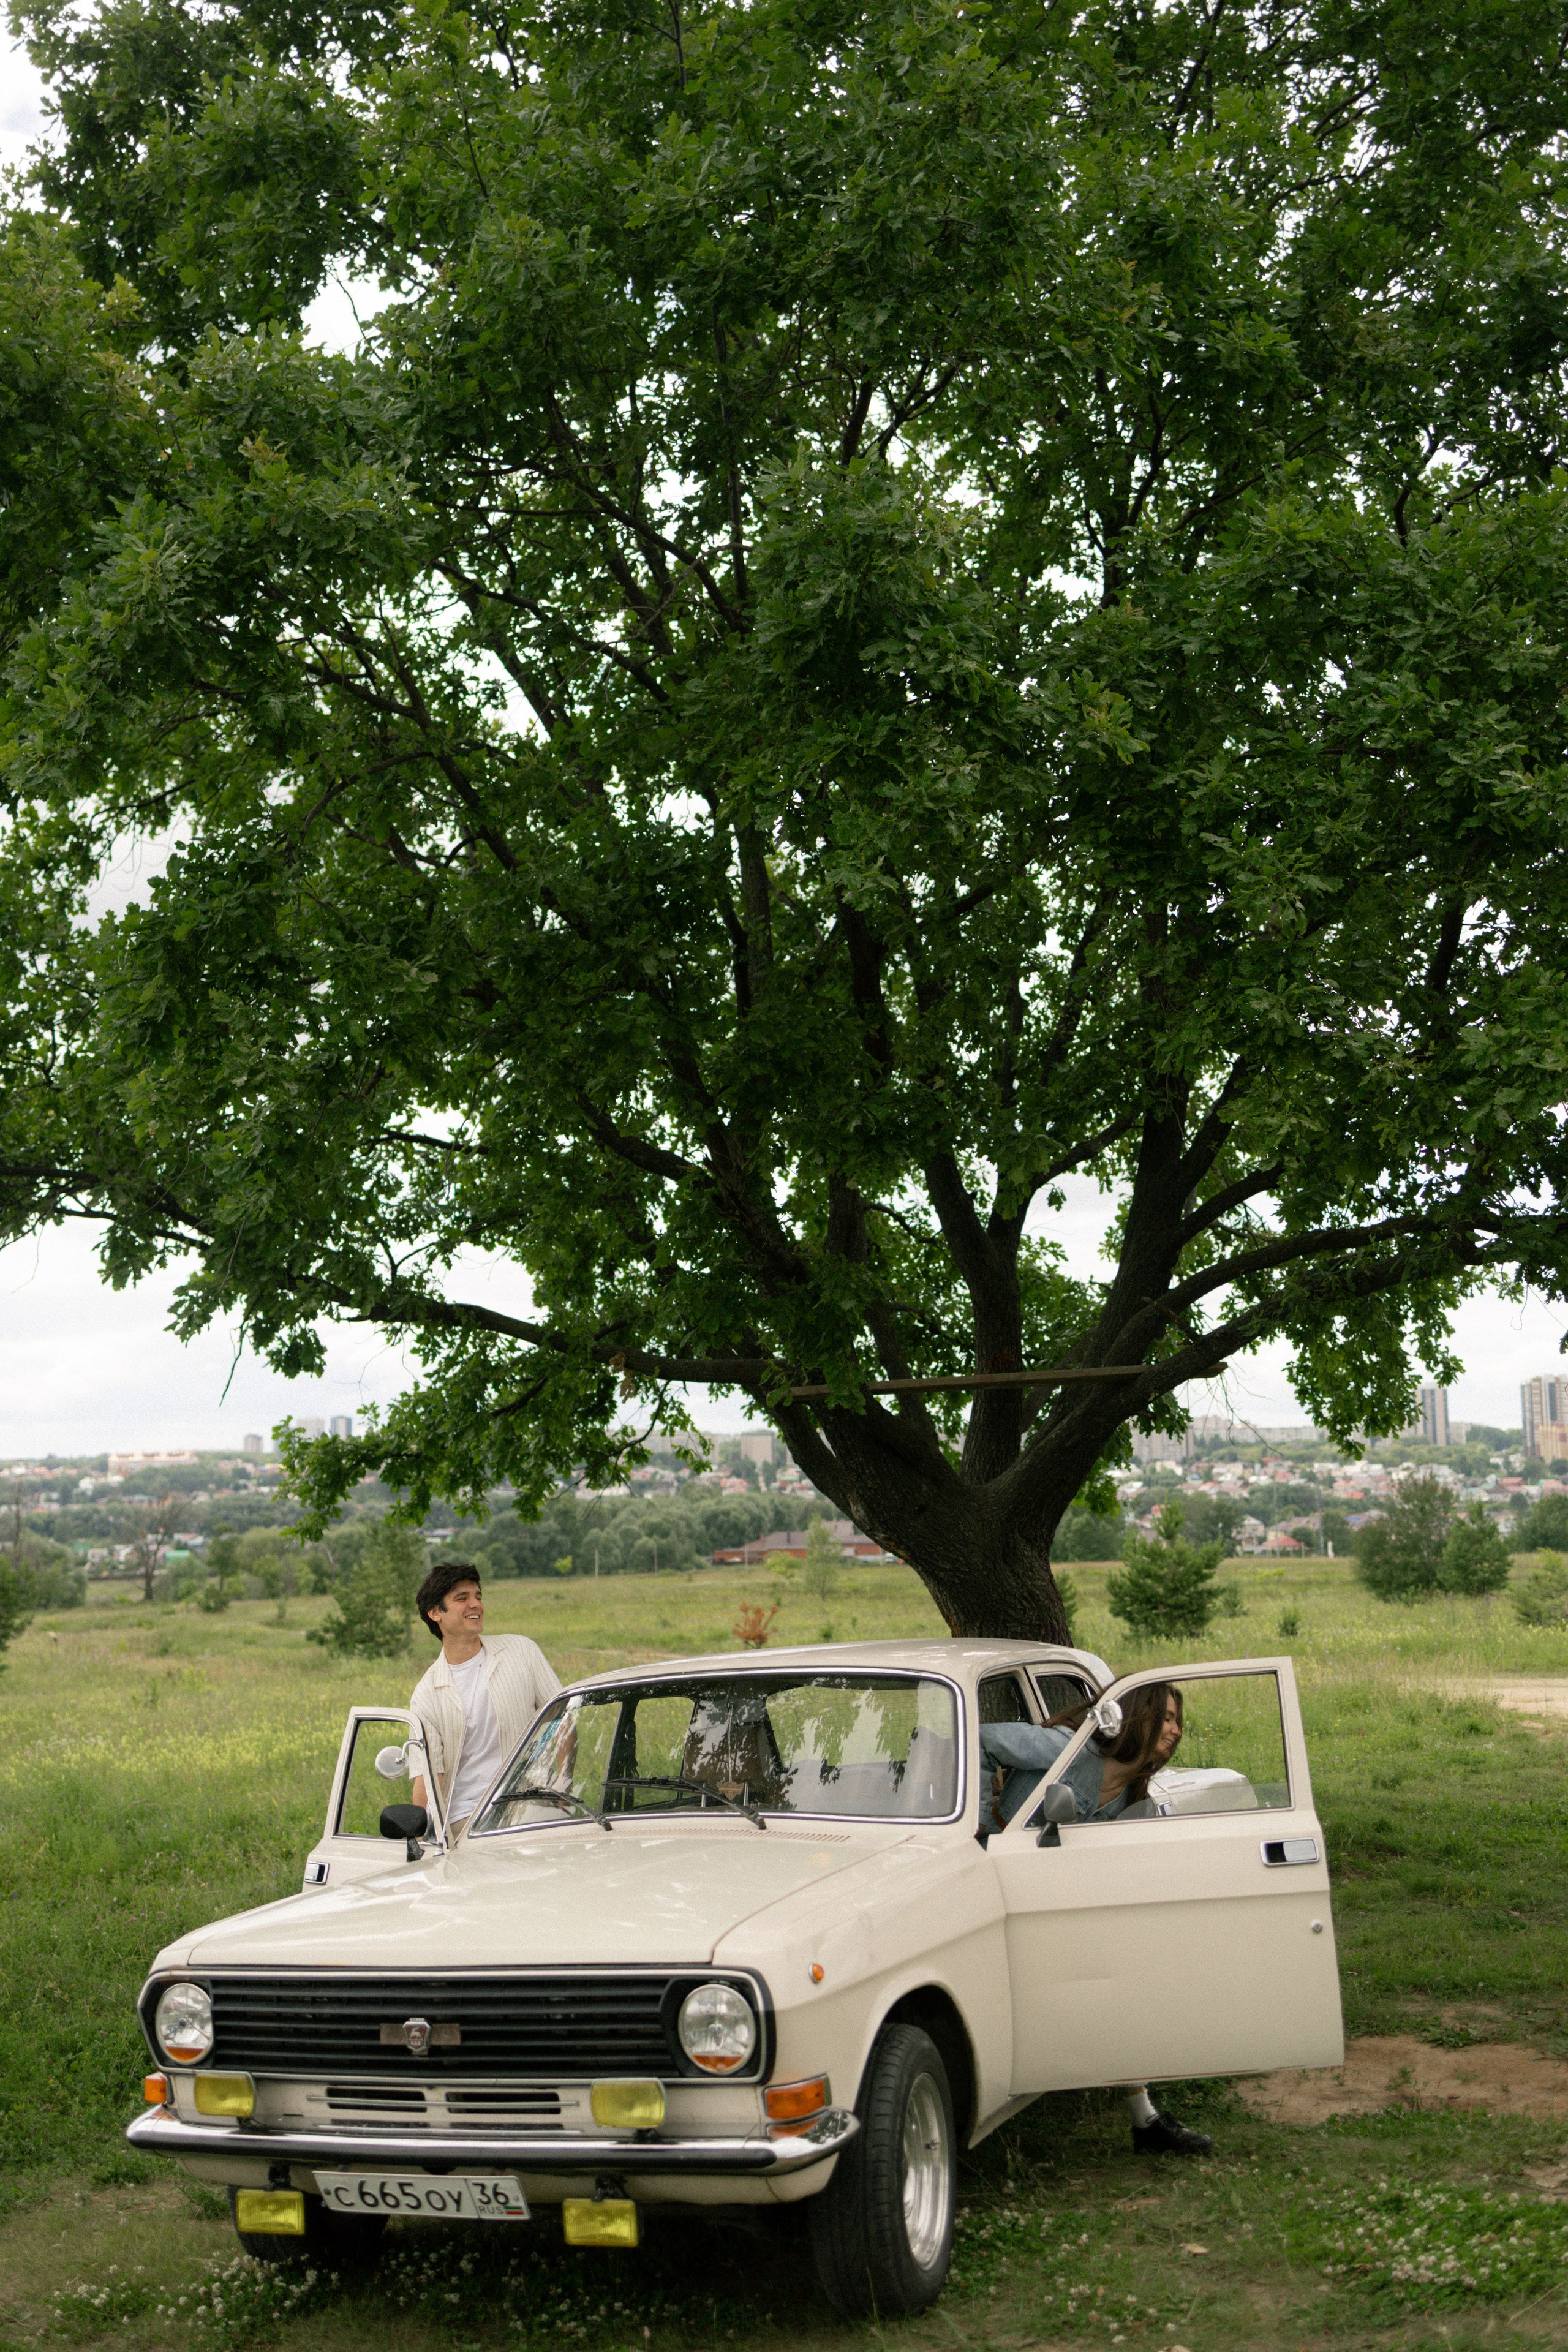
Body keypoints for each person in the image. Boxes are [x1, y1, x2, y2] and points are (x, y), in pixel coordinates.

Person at [979, 1680, 1215, 2159]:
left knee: (1121, 1976)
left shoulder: (1134, 1795)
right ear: (1140, 1716)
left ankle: (1145, 2118)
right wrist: (979, 1829)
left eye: (1178, 1722)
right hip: (991, 1887)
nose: (1176, 1730)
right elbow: (980, 1739)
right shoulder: (1069, 1751)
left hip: (1052, 1902)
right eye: (1167, 1718)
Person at [409, 1562, 562, 1836]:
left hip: (529, 1799)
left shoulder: (521, 1650)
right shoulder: (426, 1693)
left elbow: (563, 1719)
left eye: (478, 1597)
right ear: (435, 1613)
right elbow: (429, 1774)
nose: (475, 1605)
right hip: (466, 1816)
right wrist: (418, 1837)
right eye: (462, 1598)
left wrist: (562, 1786)